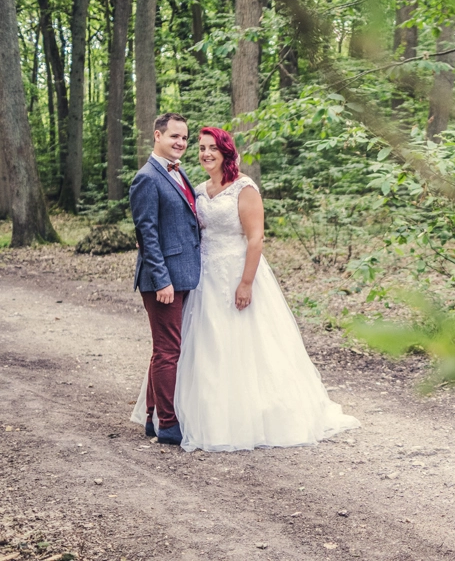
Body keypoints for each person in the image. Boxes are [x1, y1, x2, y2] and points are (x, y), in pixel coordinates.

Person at [140, 126, 359, 452]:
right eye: (201, 148)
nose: (205, 153)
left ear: (226, 151)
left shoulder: (244, 188)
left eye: (212, 147)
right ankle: (190, 414)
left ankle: (253, 415)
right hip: (203, 279)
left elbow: (256, 238)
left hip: (237, 273)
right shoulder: (197, 188)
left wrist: (245, 283)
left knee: (245, 345)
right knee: (204, 346)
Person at [129, 112, 200, 446]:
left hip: (183, 273)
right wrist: (161, 280)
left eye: (185, 138)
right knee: (168, 350)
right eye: (174, 136)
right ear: (157, 135)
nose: (181, 143)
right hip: (163, 279)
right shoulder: (147, 177)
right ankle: (169, 425)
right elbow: (148, 233)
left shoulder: (178, 172)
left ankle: (151, 416)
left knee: (164, 349)